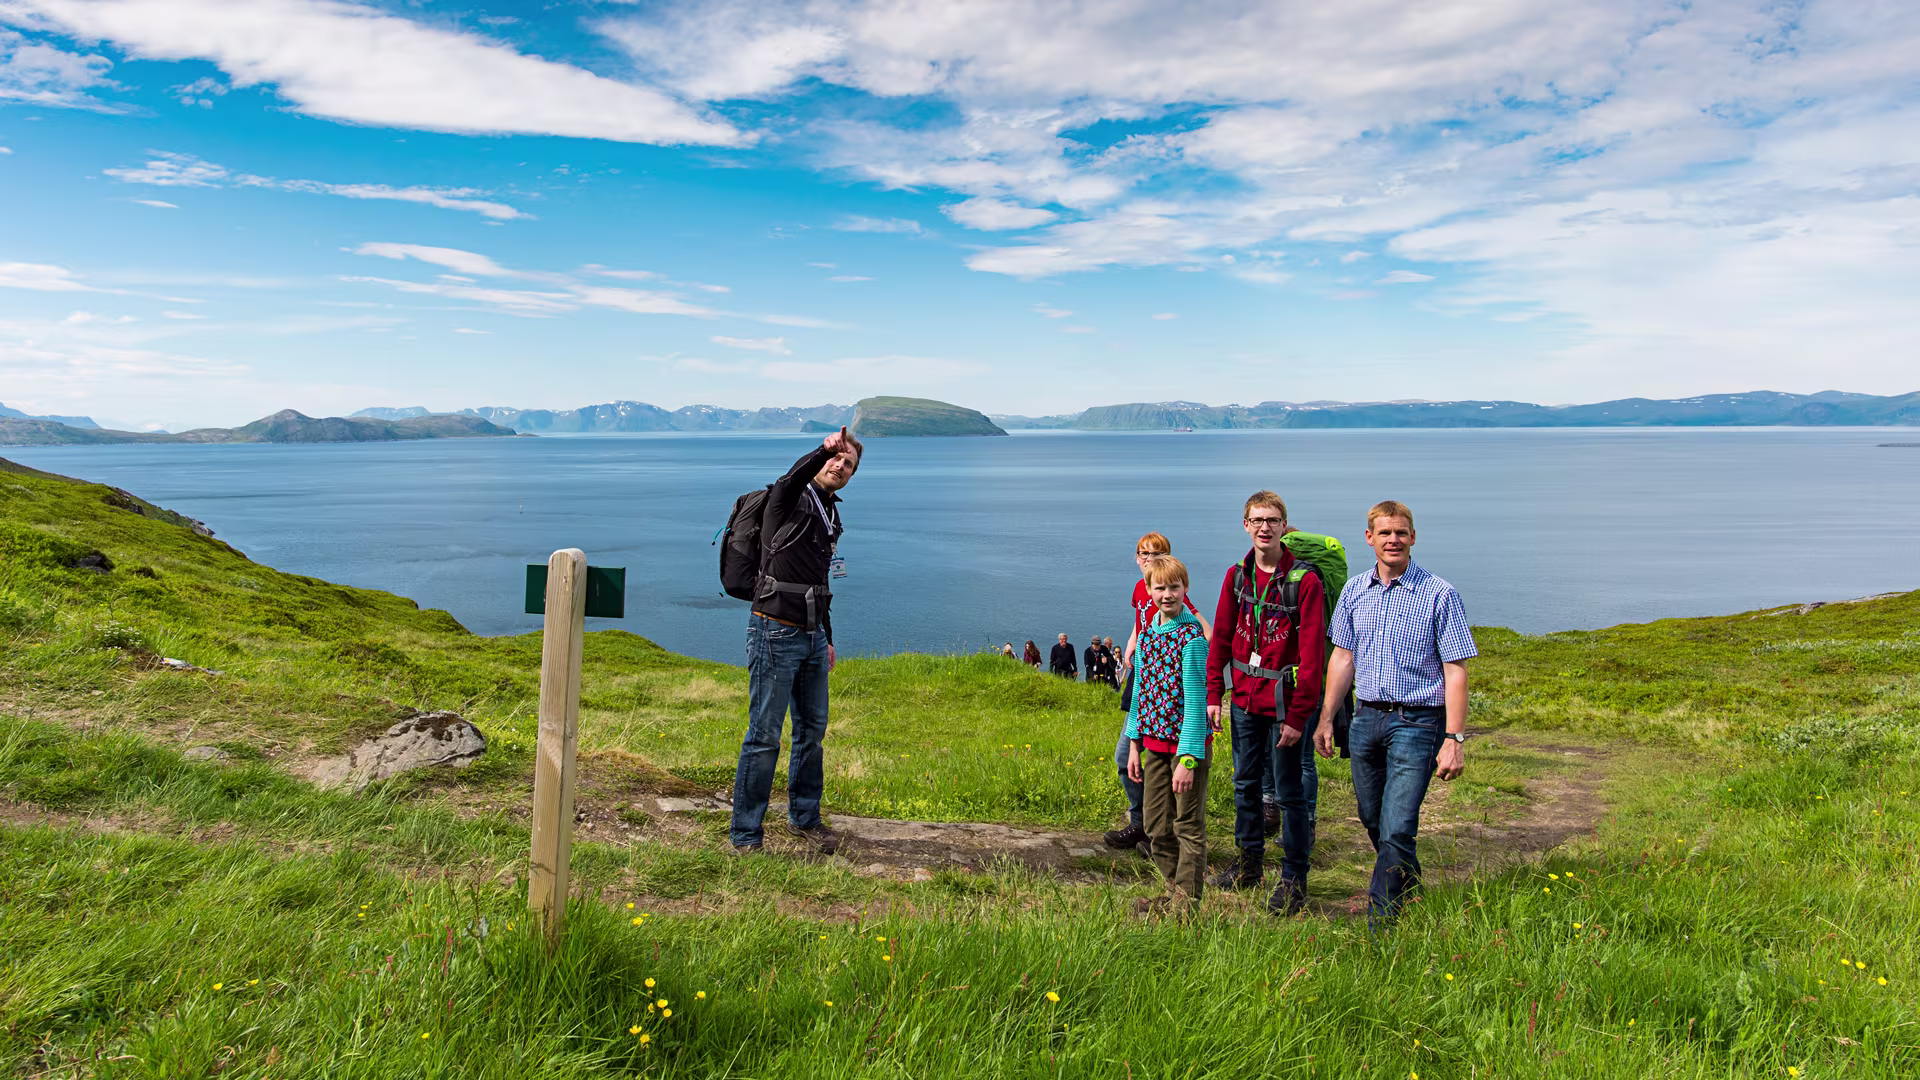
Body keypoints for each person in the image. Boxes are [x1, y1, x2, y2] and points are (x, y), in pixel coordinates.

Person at [1318, 500, 1476, 925]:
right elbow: (1343, 658)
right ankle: (1409, 885)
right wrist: (1328, 717)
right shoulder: (1353, 590)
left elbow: (1455, 670)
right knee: (1372, 817)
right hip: (1366, 718)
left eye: (1401, 532)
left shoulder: (1439, 594)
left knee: (1398, 824)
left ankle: (1381, 920)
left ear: (1413, 537)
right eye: (1385, 533)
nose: (1394, 540)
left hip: (1419, 722)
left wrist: (1454, 739)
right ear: (1369, 538)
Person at [729, 426, 862, 857]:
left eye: (849, 465)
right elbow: (791, 479)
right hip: (774, 628)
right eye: (837, 459)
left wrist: (827, 638)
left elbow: (820, 580)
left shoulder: (830, 512)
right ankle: (746, 834)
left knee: (812, 732)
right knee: (764, 735)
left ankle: (805, 819)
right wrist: (820, 449)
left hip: (811, 635)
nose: (840, 467)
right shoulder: (786, 500)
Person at [1204, 491, 1326, 916]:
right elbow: (1220, 636)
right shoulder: (1236, 578)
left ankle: (1294, 878)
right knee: (1244, 784)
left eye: (1272, 520)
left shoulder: (1304, 582)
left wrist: (1299, 717)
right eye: (1256, 520)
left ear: (1284, 526)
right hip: (1243, 700)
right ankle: (1249, 864)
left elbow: (1312, 659)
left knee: (1290, 793)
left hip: (1285, 705)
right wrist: (1214, 694)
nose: (1264, 527)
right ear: (1245, 525)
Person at [1104, 532, 1208, 855]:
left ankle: (1156, 829)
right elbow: (1142, 623)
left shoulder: (1171, 594)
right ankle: (1147, 824)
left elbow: (1198, 625)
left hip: (1169, 693)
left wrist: (1201, 656)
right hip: (1144, 677)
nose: (1148, 558)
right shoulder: (1141, 590)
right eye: (1143, 553)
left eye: (1156, 552)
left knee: (1133, 756)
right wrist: (1133, 647)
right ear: (1136, 557)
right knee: (1127, 756)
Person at [1124, 555, 1214, 915]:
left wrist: (1188, 760)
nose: (1167, 595)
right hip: (1153, 745)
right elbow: (1139, 696)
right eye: (1159, 588)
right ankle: (1174, 887)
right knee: (1156, 825)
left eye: (1174, 587)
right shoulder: (1146, 638)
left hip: (1185, 748)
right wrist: (1134, 745)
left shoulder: (1192, 639)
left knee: (1187, 825)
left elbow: (1196, 703)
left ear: (1185, 589)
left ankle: (1185, 909)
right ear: (1147, 591)